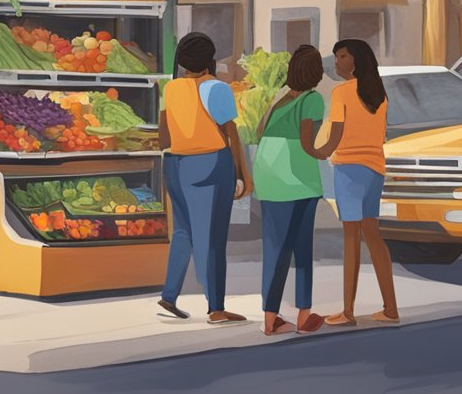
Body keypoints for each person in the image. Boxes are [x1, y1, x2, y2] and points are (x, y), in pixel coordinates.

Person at [157, 31, 251, 325]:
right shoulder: (216, 88)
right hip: (210, 162)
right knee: (212, 238)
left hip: (174, 163)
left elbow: (164, 133)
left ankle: (170, 294)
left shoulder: (170, 88)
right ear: (210, 59)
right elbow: (231, 133)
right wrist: (243, 174)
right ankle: (216, 308)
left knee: (183, 232)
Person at [313, 38, 398, 327]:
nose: (337, 62)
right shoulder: (379, 94)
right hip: (375, 169)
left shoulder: (342, 93)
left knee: (351, 238)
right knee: (373, 235)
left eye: (342, 56)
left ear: (356, 60)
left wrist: (316, 151)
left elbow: (335, 136)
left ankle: (347, 311)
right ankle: (391, 308)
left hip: (349, 169)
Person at [252, 45, 326, 336]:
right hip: (297, 178)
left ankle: (270, 319)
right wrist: (326, 152)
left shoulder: (279, 97)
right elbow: (308, 142)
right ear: (316, 73)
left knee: (275, 248)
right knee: (302, 249)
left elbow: (259, 132)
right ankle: (304, 315)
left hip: (268, 177)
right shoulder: (313, 99)